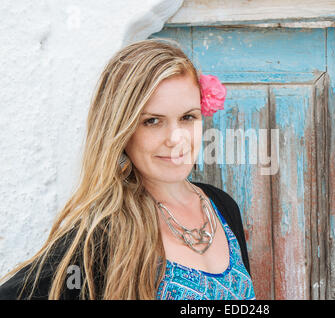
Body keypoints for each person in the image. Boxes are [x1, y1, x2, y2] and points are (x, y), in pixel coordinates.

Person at [0, 39, 255, 300]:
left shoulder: (222, 206)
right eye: (152, 121)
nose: (176, 138)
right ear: (122, 130)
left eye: (187, 117)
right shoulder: (104, 233)